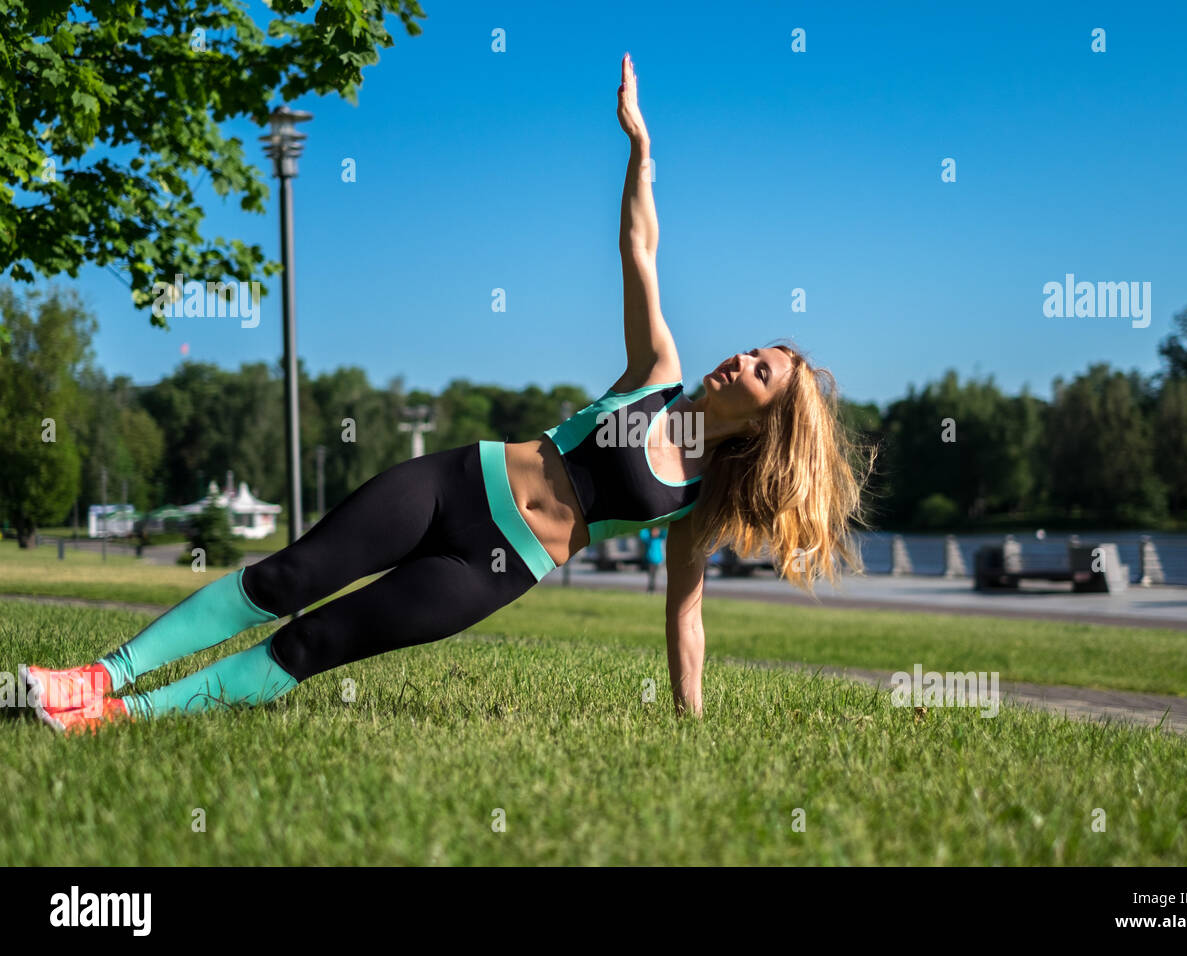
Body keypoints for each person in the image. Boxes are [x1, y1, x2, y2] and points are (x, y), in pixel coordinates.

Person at [21, 53, 876, 735]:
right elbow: (639, 249)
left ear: (768, 419)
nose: (741, 361)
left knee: (315, 642)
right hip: (457, 483)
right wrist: (641, 154)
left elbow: (685, 614)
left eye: (761, 372)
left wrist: (691, 723)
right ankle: (97, 675)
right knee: (288, 576)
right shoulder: (658, 375)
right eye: (754, 351)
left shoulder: (691, 501)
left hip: (494, 567)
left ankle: (113, 717)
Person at [640, 526, 665, 592]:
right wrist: (645, 525)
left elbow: (665, 532)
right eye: (654, 531)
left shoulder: (659, 539)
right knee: (651, 575)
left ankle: (652, 588)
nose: (655, 533)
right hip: (650, 560)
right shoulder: (649, 539)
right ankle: (651, 588)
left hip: (657, 560)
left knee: (654, 575)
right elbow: (643, 535)